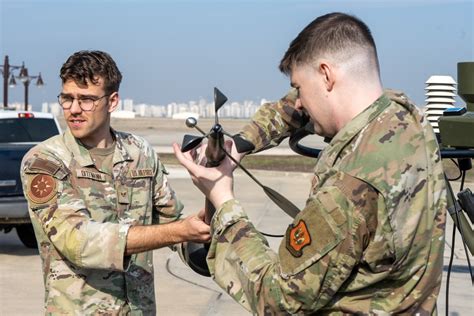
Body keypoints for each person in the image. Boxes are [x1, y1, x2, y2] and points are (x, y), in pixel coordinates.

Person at [174, 12, 447, 314]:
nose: (299, 101)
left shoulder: (350, 185)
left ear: (327, 75)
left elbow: (277, 298)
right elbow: (294, 107)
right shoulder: (407, 119)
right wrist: (239, 143)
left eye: (299, 87)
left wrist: (222, 199)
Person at [20, 50, 210, 315]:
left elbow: (172, 220)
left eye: (86, 99)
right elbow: (78, 240)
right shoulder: (45, 161)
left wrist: (208, 238)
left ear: (112, 101)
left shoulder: (139, 152)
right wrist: (180, 231)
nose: (74, 109)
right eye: (67, 98)